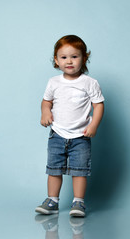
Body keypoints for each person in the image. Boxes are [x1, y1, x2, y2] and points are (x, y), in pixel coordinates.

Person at [35, 35, 104, 217]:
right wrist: (45, 112)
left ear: (84, 58)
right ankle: (52, 200)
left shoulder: (90, 83)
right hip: (57, 134)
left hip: (81, 135)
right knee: (53, 169)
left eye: (75, 56)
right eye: (64, 57)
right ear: (56, 60)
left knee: (79, 170)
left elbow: (98, 105)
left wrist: (94, 124)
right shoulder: (54, 82)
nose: (69, 61)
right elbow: (46, 101)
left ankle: (78, 202)